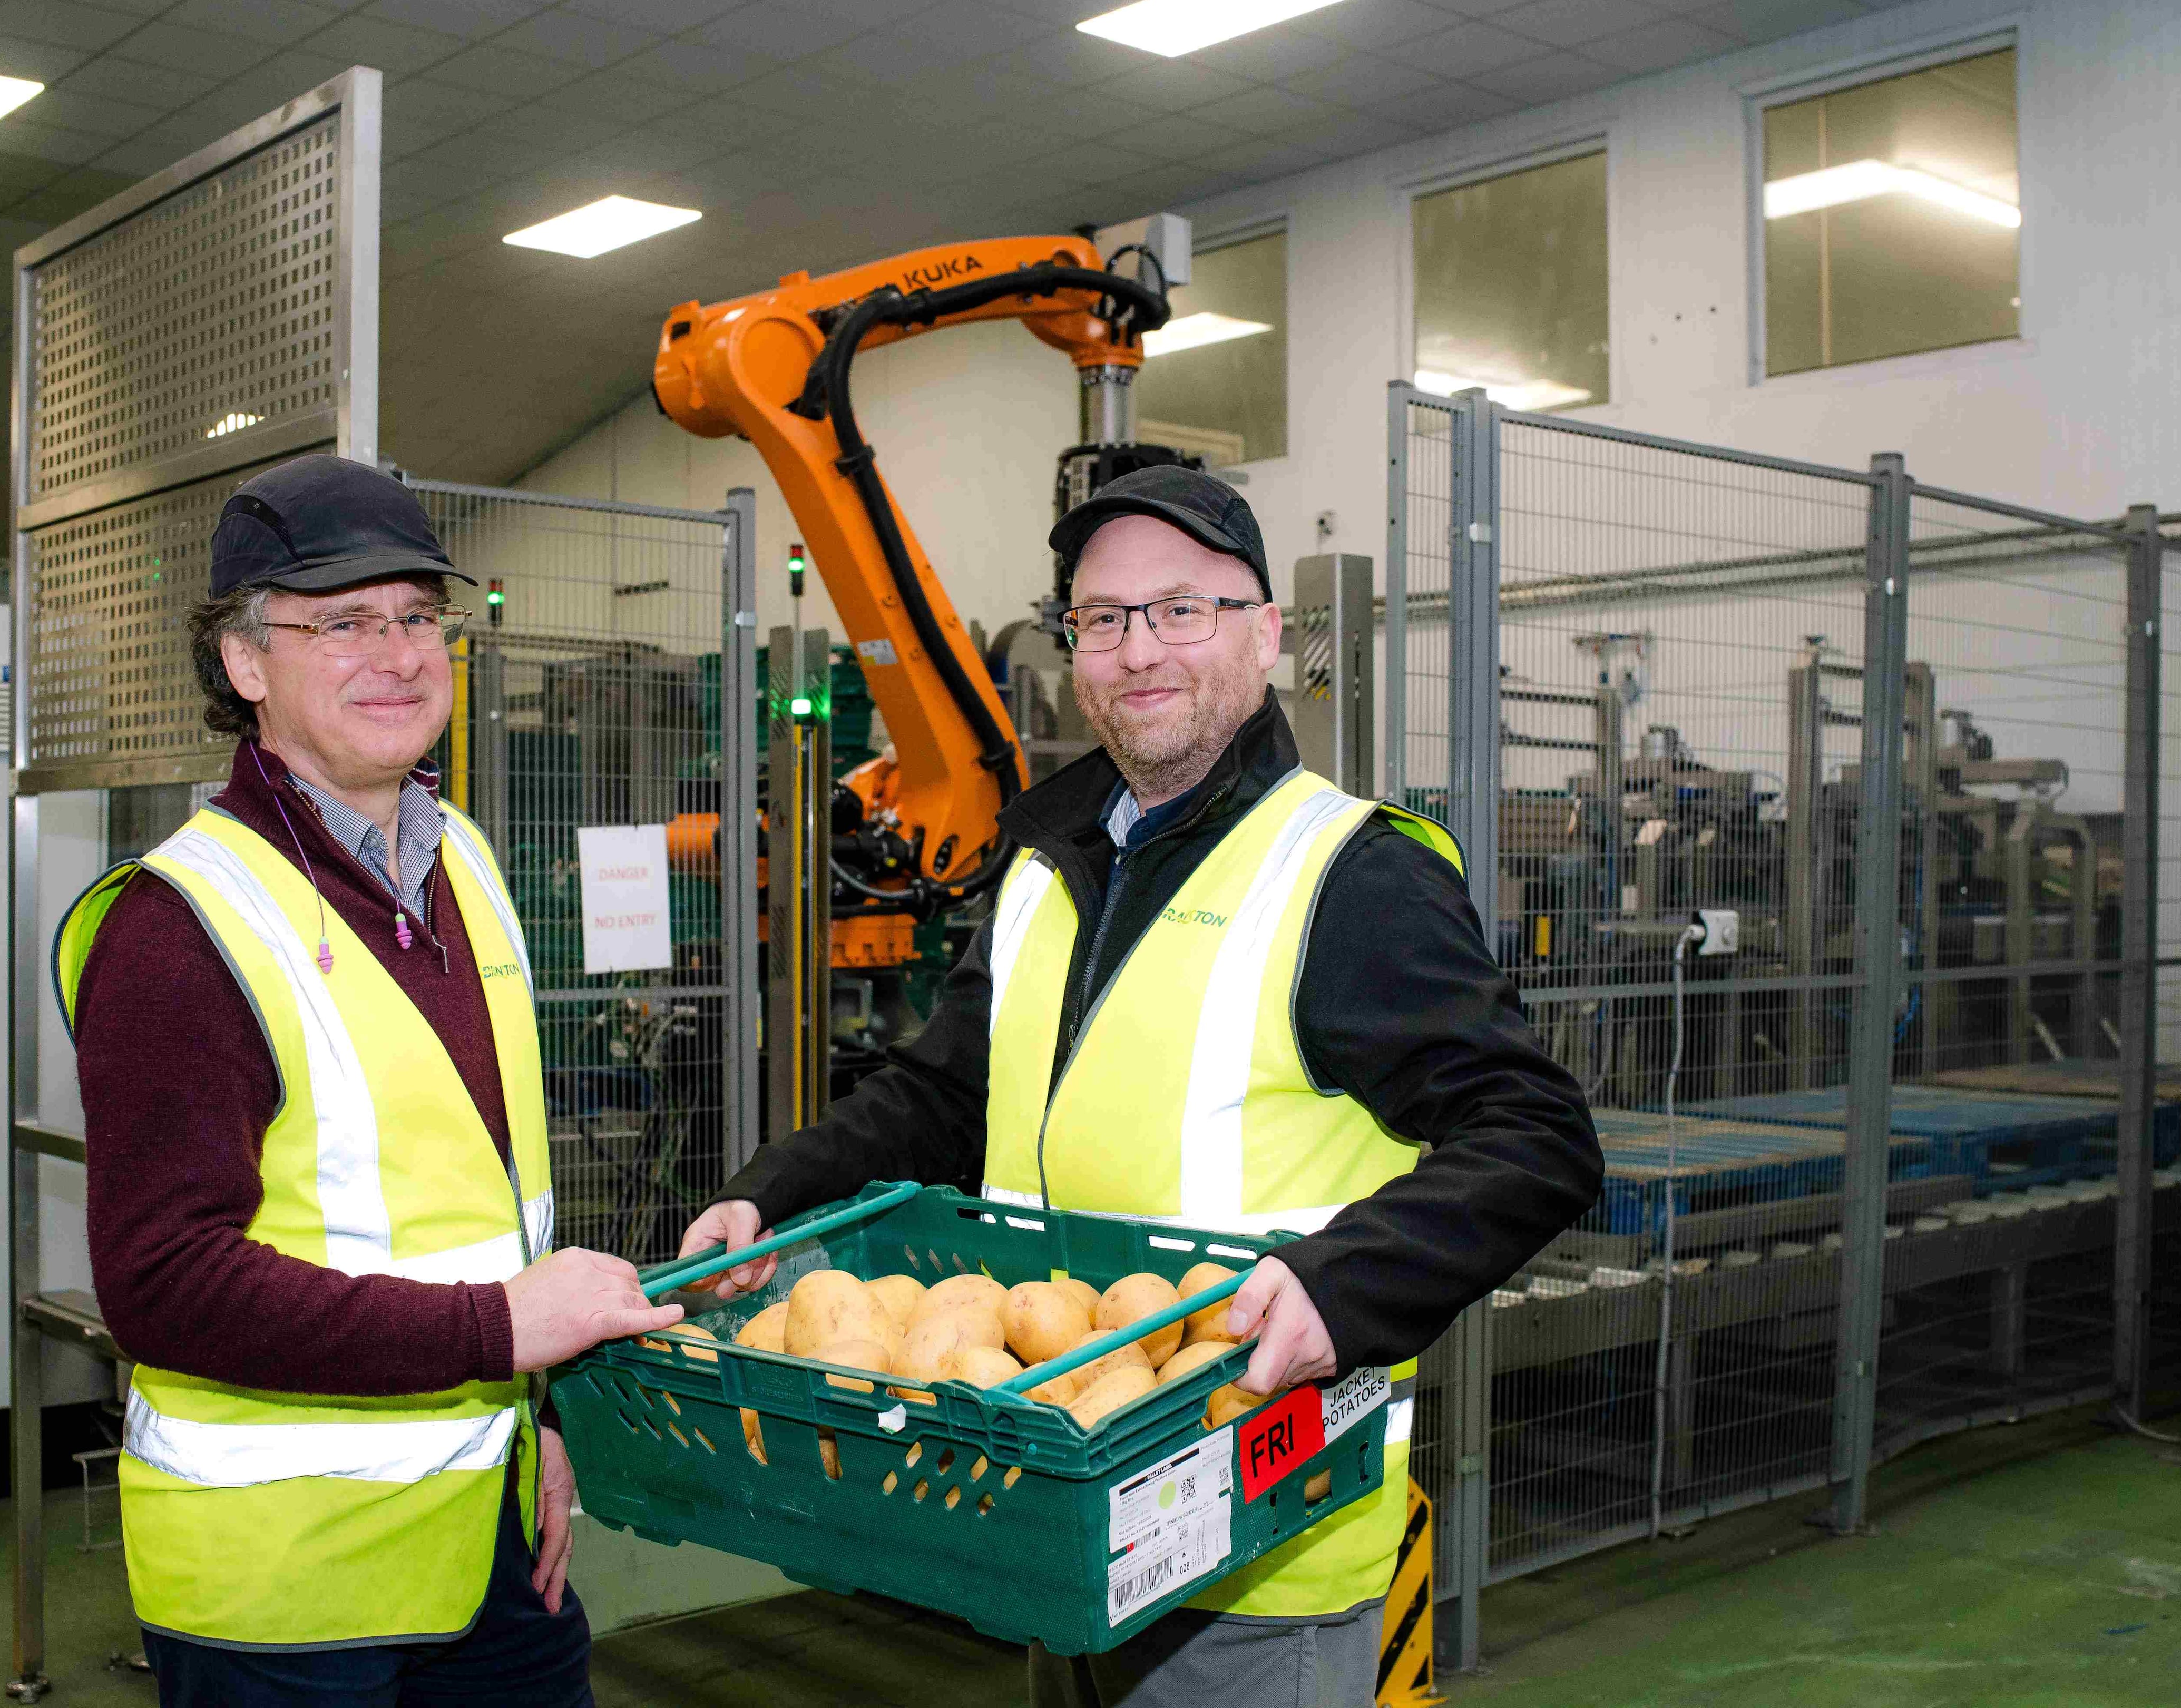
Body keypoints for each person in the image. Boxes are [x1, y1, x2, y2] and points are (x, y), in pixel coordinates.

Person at [680, 464, 1602, 1707]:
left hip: (1248, 1532)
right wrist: (773, 1190)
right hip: (1056, 1503)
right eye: (1104, 618)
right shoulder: (1050, 864)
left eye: (1183, 608)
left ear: (1266, 634)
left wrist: (1344, 1284)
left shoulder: (1347, 872)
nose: (1138, 649)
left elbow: (1536, 1135)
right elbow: (945, 1095)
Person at [58, 456, 677, 1706]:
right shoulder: (183, 921)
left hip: (493, 1546)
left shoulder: (466, 864)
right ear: (244, 664)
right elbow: (162, 1281)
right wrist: (499, 1330)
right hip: (290, 1595)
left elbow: (477, 1215)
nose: (396, 653)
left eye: (415, 616)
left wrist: (534, 1424)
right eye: (341, 622)